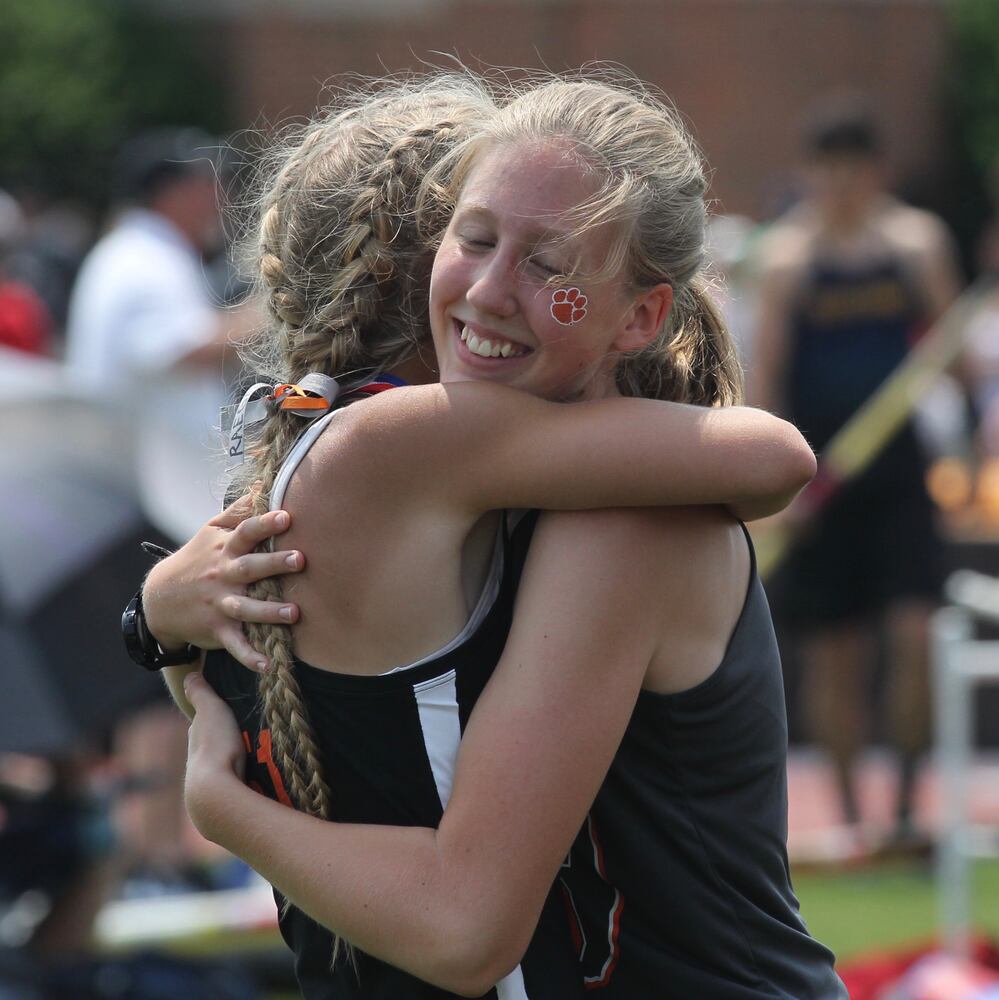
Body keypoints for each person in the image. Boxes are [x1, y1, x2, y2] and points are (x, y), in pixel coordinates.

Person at [139, 74, 841, 997]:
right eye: (471, 240)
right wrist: (153, 612)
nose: (491, 290)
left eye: (548, 264)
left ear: (641, 315)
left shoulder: (616, 520)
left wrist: (221, 808)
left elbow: (466, 926)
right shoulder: (444, 474)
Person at [749, 100, 962, 842]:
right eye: (826, 171)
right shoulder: (786, 259)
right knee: (832, 658)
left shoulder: (913, 246)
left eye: (853, 170)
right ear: (809, 174)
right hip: (819, 482)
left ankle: (904, 810)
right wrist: (771, 486)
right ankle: (847, 824)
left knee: (913, 638)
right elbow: (767, 380)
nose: (839, 185)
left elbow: (955, 361)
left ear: (877, 172)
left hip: (896, 472)